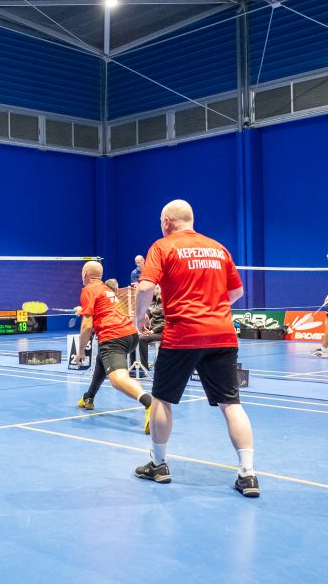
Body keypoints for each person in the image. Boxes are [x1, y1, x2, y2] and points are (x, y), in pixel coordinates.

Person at [134, 199, 259, 498]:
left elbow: (144, 287)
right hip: (222, 334)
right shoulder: (218, 248)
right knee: (232, 404)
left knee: (162, 400)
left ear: (166, 222)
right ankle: (248, 474)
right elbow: (237, 291)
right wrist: (213, 310)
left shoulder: (163, 246)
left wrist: (139, 316)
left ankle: (159, 464)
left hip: (183, 335)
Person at [75, 261, 153, 434]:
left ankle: (150, 404)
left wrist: (80, 352)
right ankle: (88, 398)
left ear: (86, 274)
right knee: (101, 362)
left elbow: (87, 326)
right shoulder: (106, 290)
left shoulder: (88, 290)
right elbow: (106, 313)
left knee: (117, 379)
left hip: (114, 337)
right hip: (130, 335)